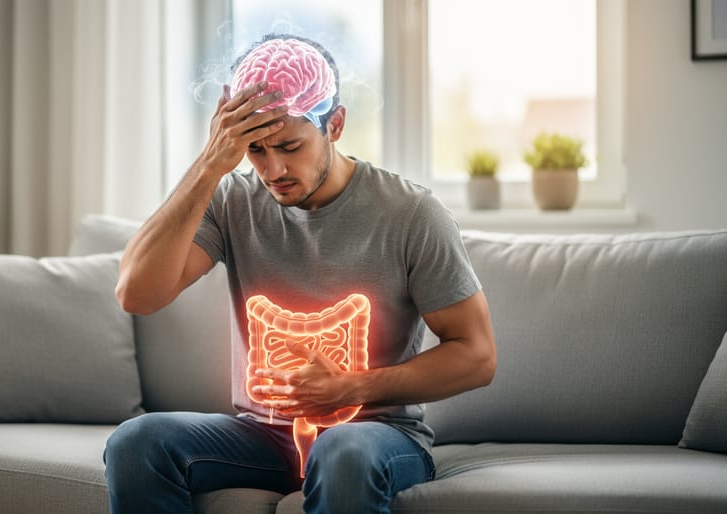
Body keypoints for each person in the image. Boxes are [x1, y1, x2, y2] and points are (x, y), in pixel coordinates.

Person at [104, 34, 496, 514]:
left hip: (376, 437)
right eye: (255, 150)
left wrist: (352, 387)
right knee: (137, 442)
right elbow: (136, 294)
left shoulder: (411, 213)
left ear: (335, 124)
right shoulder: (233, 200)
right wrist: (209, 165)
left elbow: (477, 356)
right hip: (263, 434)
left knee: (342, 450)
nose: (274, 170)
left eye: (290, 146)